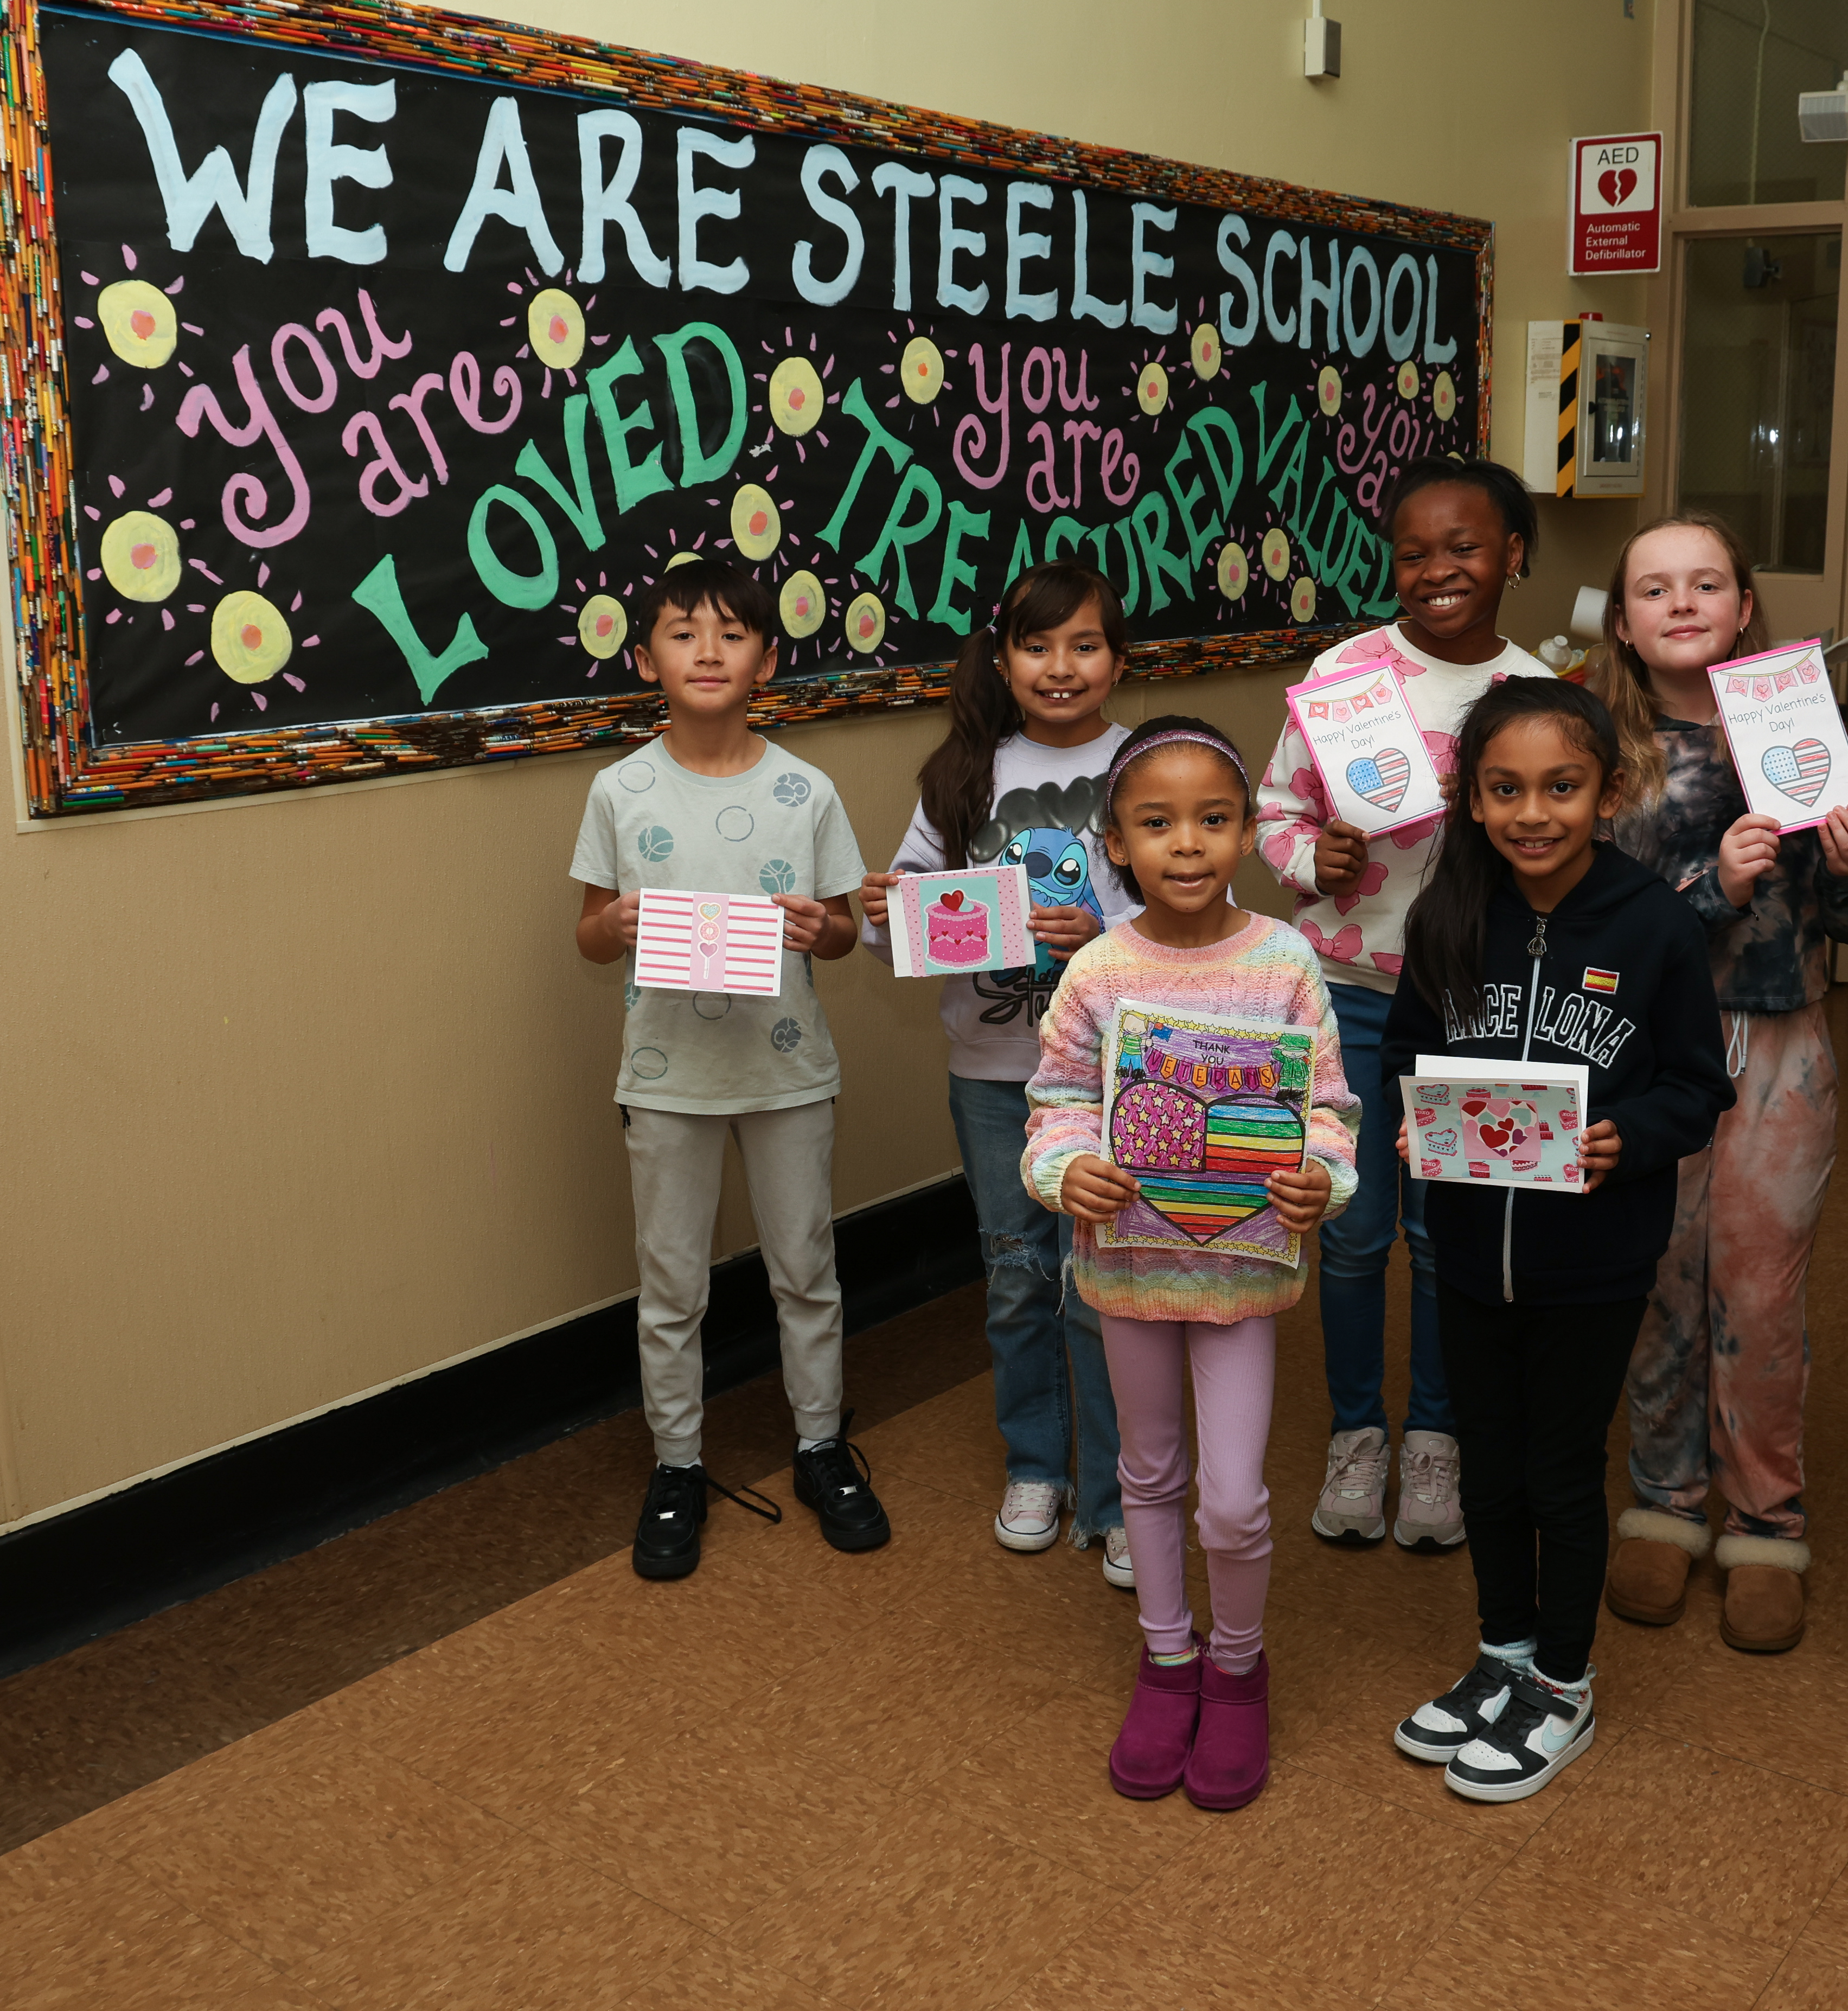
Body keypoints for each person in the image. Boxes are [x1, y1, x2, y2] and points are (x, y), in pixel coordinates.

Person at [1384, 679, 1734, 1803]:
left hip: (1593, 1258)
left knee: (1556, 1471)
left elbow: (1697, 1085)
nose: (1533, 812)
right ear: (1473, 801)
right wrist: (1407, 1115)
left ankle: (1566, 1684)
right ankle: (1505, 1653)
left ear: (1608, 792)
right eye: (1505, 789)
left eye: (1561, 787)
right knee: (1487, 1464)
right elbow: (1403, 1047)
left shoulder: (1656, 924)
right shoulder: (1449, 911)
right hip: (1463, 1248)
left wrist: (1623, 1138)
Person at [1024, 716, 1358, 1811]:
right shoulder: (1096, 968)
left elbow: (1330, 1112)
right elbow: (1058, 1106)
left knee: (1234, 1500)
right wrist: (1066, 1170)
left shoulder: (1284, 961)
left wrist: (1321, 1175)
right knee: (1150, 1475)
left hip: (1242, 1279)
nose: (1185, 844)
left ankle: (1238, 1664)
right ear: (1114, 843)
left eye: (1213, 820)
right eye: (1155, 823)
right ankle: (1166, 1657)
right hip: (1128, 1271)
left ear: (1252, 832)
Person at [1588, 513, 1848, 1655]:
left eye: (1706, 582)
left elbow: (1846, 920)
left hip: (1782, 1041)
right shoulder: (1602, 745)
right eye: (1653, 587)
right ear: (1622, 620)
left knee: (1759, 1294)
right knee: (1660, 1276)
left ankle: (1767, 1517)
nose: (1681, 602)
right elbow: (1603, 918)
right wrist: (1707, 883)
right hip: (1648, 1045)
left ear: (1744, 604)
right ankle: (1662, 1502)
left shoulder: (1799, 728)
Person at [1254, 457, 1556, 1551]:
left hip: (1469, 1008)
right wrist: (1311, 856)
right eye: (1415, 551)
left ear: (1514, 555)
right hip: (1345, 998)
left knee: (1442, 1239)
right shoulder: (1343, 675)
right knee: (1349, 1229)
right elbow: (1275, 812)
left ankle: (1436, 1440)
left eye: (1465, 548)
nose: (1437, 571)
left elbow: (1563, 847)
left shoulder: (1534, 696)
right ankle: (1355, 1433)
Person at [572, 558, 891, 1574]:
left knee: (807, 1268)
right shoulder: (618, 787)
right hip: (667, 1077)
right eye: (682, 631)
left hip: (787, 1071)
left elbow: (844, 934)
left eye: (732, 633)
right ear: (645, 658)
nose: (707, 650)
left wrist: (820, 930)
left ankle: (818, 1443)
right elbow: (583, 935)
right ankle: (677, 1463)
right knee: (671, 1286)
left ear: (768, 658)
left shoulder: (807, 789)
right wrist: (614, 924)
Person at [861, 563, 1138, 1586]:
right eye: (1037, 646)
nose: (1060, 668)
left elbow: (1200, 911)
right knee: (1018, 1278)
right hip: (991, 1072)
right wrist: (888, 910)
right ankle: (1037, 1465)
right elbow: (903, 922)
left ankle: (1118, 1495)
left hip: (1113, 1073)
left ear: (1118, 657)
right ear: (1004, 656)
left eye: (1085, 645)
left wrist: (1102, 932)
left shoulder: (1150, 763)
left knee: (1104, 1284)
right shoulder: (960, 775)